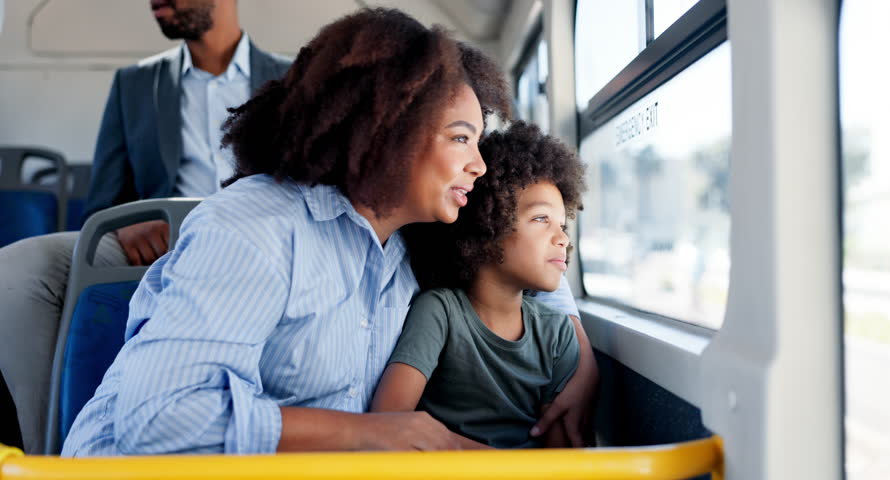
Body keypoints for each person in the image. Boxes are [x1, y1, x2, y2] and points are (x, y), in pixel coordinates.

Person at [62, 8, 597, 456]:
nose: (478, 166)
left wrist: (582, 364)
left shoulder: (416, 238)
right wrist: (376, 435)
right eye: (462, 139)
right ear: (390, 130)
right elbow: (160, 420)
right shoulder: (256, 226)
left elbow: (518, 246)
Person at [0, 0, 290, 453]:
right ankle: (45, 451)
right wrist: (128, 223)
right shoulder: (135, 83)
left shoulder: (289, 79)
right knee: (22, 269)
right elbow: (102, 201)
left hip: (262, 242)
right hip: (161, 244)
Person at [370, 121, 587, 449]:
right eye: (542, 219)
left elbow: (560, 452)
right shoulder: (439, 312)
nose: (562, 239)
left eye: (562, 224)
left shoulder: (556, 332)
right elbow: (389, 419)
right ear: (487, 227)